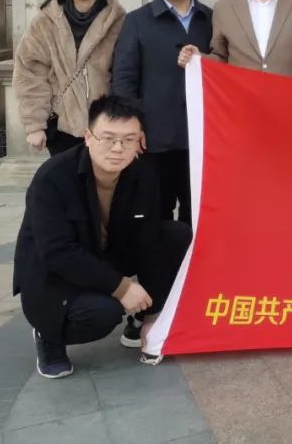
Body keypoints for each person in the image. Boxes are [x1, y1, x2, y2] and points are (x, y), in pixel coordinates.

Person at [12, 95, 192, 378]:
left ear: (140, 141)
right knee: (102, 314)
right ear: (88, 137)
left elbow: (148, 238)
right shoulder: (53, 177)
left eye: (128, 140)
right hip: (52, 272)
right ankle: (49, 335)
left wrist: (153, 307)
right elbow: (57, 252)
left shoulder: (142, 174)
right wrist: (122, 287)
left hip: (105, 255)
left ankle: (143, 320)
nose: (118, 148)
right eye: (108, 139)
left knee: (174, 235)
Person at [112, 0, 212, 224]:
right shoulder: (137, 21)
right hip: (154, 138)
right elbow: (124, 79)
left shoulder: (211, 18)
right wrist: (133, 127)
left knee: (198, 213)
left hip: (201, 137)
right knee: (156, 213)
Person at [13, 0, 126, 156]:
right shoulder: (45, 22)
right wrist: (34, 125)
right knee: (66, 175)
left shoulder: (119, 21)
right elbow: (30, 74)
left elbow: (126, 73)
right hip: (61, 124)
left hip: (106, 123)